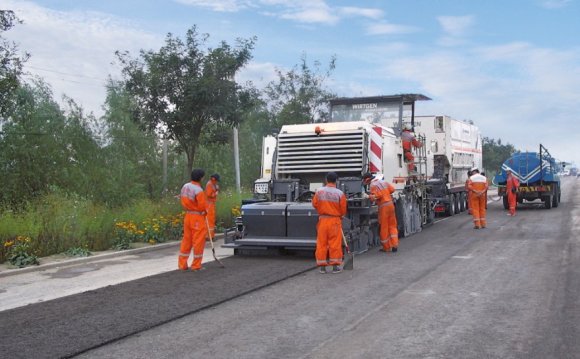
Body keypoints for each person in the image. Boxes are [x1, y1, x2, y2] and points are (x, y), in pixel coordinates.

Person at [312, 172, 347, 274]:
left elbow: (314, 204)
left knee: (322, 243)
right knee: (335, 243)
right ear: (336, 181)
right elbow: (343, 209)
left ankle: (322, 267)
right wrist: (339, 215)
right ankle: (335, 267)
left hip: (322, 220)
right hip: (334, 221)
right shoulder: (340, 193)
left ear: (326, 180)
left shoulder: (319, 191)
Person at [178, 168, 209, 271]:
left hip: (188, 216)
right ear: (200, 178)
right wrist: (205, 212)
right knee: (198, 241)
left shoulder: (185, 186)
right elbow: (202, 206)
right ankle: (196, 265)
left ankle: (182, 264)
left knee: (186, 240)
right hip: (197, 217)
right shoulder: (198, 190)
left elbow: (182, 199)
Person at [363, 173, 399, 252]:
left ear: (367, 180)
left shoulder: (372, 185)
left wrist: (368, 196)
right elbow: (392, 189)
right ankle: (395, 245)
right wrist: (386, 194)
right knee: (392, 225)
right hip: (390, 205)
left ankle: (386, 247)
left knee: (384, 227)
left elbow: (376, 196)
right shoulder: (383, 182)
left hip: (383, 207)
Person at [205, 173, 220, 240]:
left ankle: (209, 236)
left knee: (211, 220)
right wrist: (215, 193)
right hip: (209, 205)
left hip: (211, 204)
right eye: (216, 180)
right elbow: (208, 194)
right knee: (210, 220)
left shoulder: (213, 184)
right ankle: (210, 236)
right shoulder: (209, 184)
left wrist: (216, 189)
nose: (217, 182)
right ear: (214, 179)